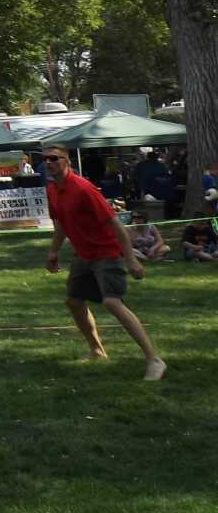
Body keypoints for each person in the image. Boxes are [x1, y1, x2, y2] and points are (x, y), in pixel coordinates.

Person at [43, 145, 166, 379]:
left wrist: (131, 259)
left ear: (67, 161)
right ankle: (97, 350)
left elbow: (115, 223)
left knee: (112, 302)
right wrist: (53, 251)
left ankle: (154, 360)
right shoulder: (52, 190)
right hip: (84, 255)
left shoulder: (83, 188)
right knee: (74, 301)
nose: (48, 163)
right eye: (45, 159)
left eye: (54, 158)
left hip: (107, 252)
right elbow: (61, 224)